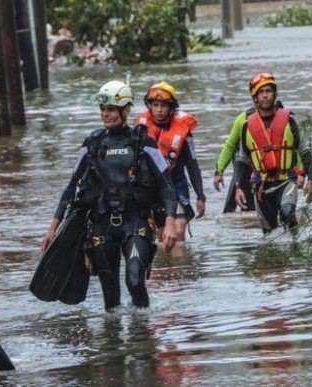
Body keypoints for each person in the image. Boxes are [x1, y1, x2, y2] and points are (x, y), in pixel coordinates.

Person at [40, 80, 178, 311]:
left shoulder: (143, 143)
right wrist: (53, 229)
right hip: (101, 228)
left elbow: (167, 186)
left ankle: (142, 336)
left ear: (126, 110)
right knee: (111, 300)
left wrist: (171, 222)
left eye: (111, 109)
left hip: (136, 225)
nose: (106, 114)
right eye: (103, 109)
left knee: (135, 281)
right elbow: (71, 187)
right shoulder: (92, 143)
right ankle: (114, 343)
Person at [234, 72, 312, 234]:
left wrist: (311, 179)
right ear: (255, 98)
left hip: (287, 182)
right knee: (268, 233)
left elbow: (304, 151)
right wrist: (238, 187)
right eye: (261, 92)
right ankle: (274, 259)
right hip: (261, 187)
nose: (265, 96)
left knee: (287, 213)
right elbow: (242, 160)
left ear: (274, 94)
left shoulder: (290, 122)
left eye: (268, 91)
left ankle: (295, 245)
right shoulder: (247, 127)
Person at [135, 82, 205, 241]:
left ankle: (183, 265)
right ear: (150, 106)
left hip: (177, 186)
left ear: (171, 107)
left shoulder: (184, 133)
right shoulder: (140, 132)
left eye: (163, 106)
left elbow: (193, 165)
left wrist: (200, 196)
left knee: (178, 232)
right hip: (152, 189)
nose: (159, 110)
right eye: (155, 105)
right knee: (162, 237)